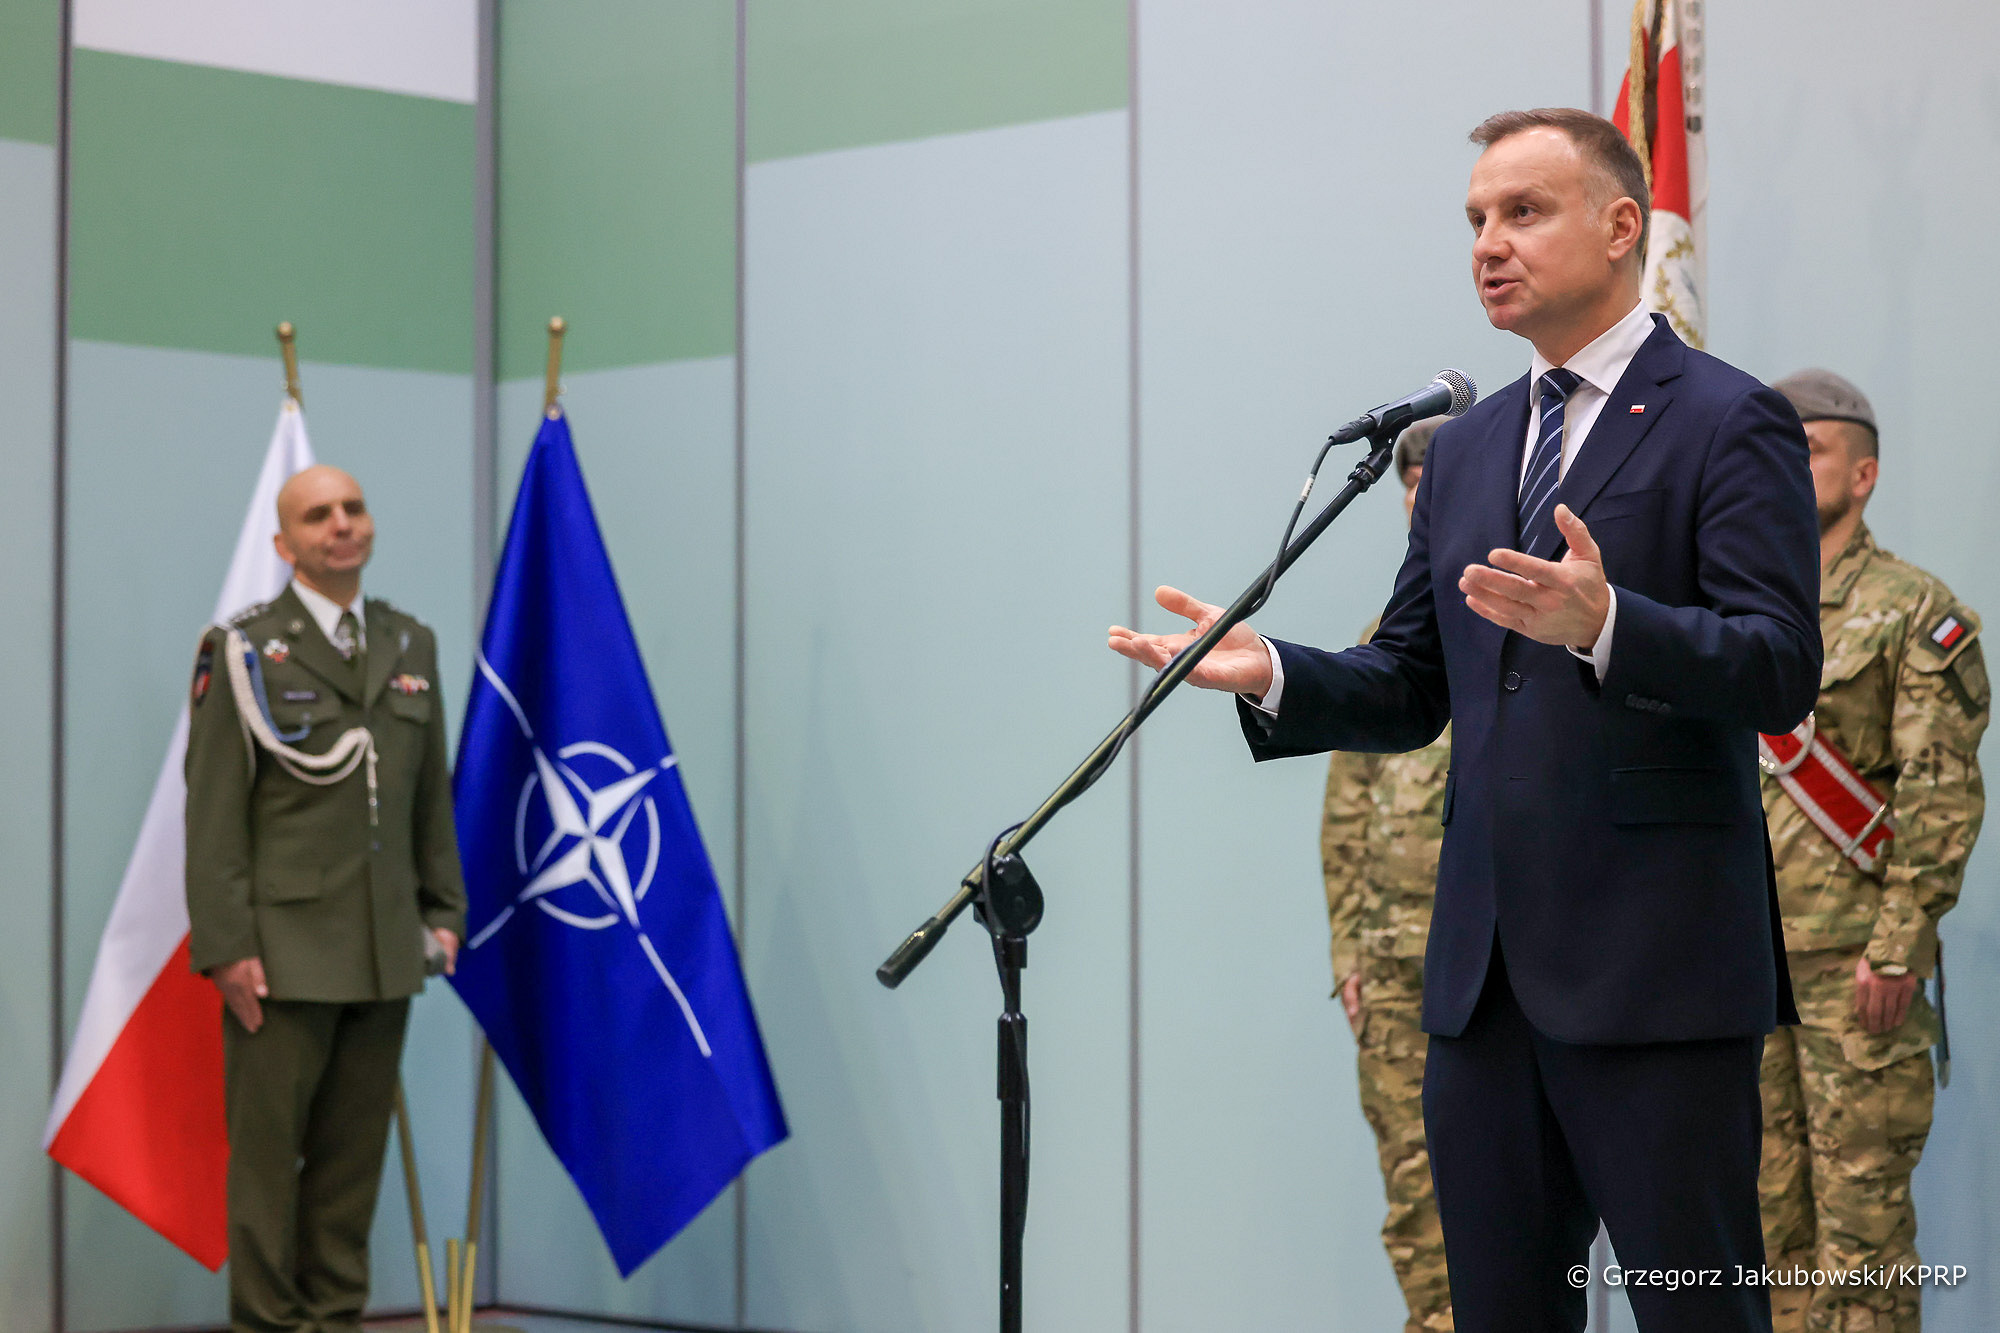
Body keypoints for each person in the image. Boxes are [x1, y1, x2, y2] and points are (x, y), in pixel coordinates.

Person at [1109, 108, 1821, 1332]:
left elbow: (1777, 668)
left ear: (1621, 227)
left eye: (1522, 212)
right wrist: (1271, 669)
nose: (1488, 243)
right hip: (1482, 990)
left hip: (1654, 980)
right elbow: (1409, 682)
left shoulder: (1724, 416)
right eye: (1476, 219)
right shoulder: (1467, 445)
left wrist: (1609, 624)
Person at [185, 464, 467, 1332]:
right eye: (318, 515)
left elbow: (429, 796)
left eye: (353, 508)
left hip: (384, 947)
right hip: (282, 955)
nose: (342, 524)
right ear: (285, 543)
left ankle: (335, 1317)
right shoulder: (244, 650)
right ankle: (268, 1323)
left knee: (350, 1168)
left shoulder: (410, 643)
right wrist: (227, 945)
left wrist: (445, 912)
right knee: (269, 1168)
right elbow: (214, 810)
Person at [1757, 370, 1988, 1333]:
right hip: (1743, 967)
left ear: (1865, 474)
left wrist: (1898, 947)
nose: (1788, 466)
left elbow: (1940, 790)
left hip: (1854, 966)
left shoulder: (1913, 608)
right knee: (1765, 1233)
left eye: (1810, 449)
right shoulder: (1736, 611)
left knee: (1861, 1241)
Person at [1321, 418, 1453, 1333]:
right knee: (1414, 1199)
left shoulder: (1526, 618)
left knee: (1514, 1203)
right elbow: (1347, 813)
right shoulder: (1385, 637)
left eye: (1434, 480)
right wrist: (1349, 951)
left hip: (1502, 959)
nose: (1418, 496)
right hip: (1395, 963)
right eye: (1410, 484)